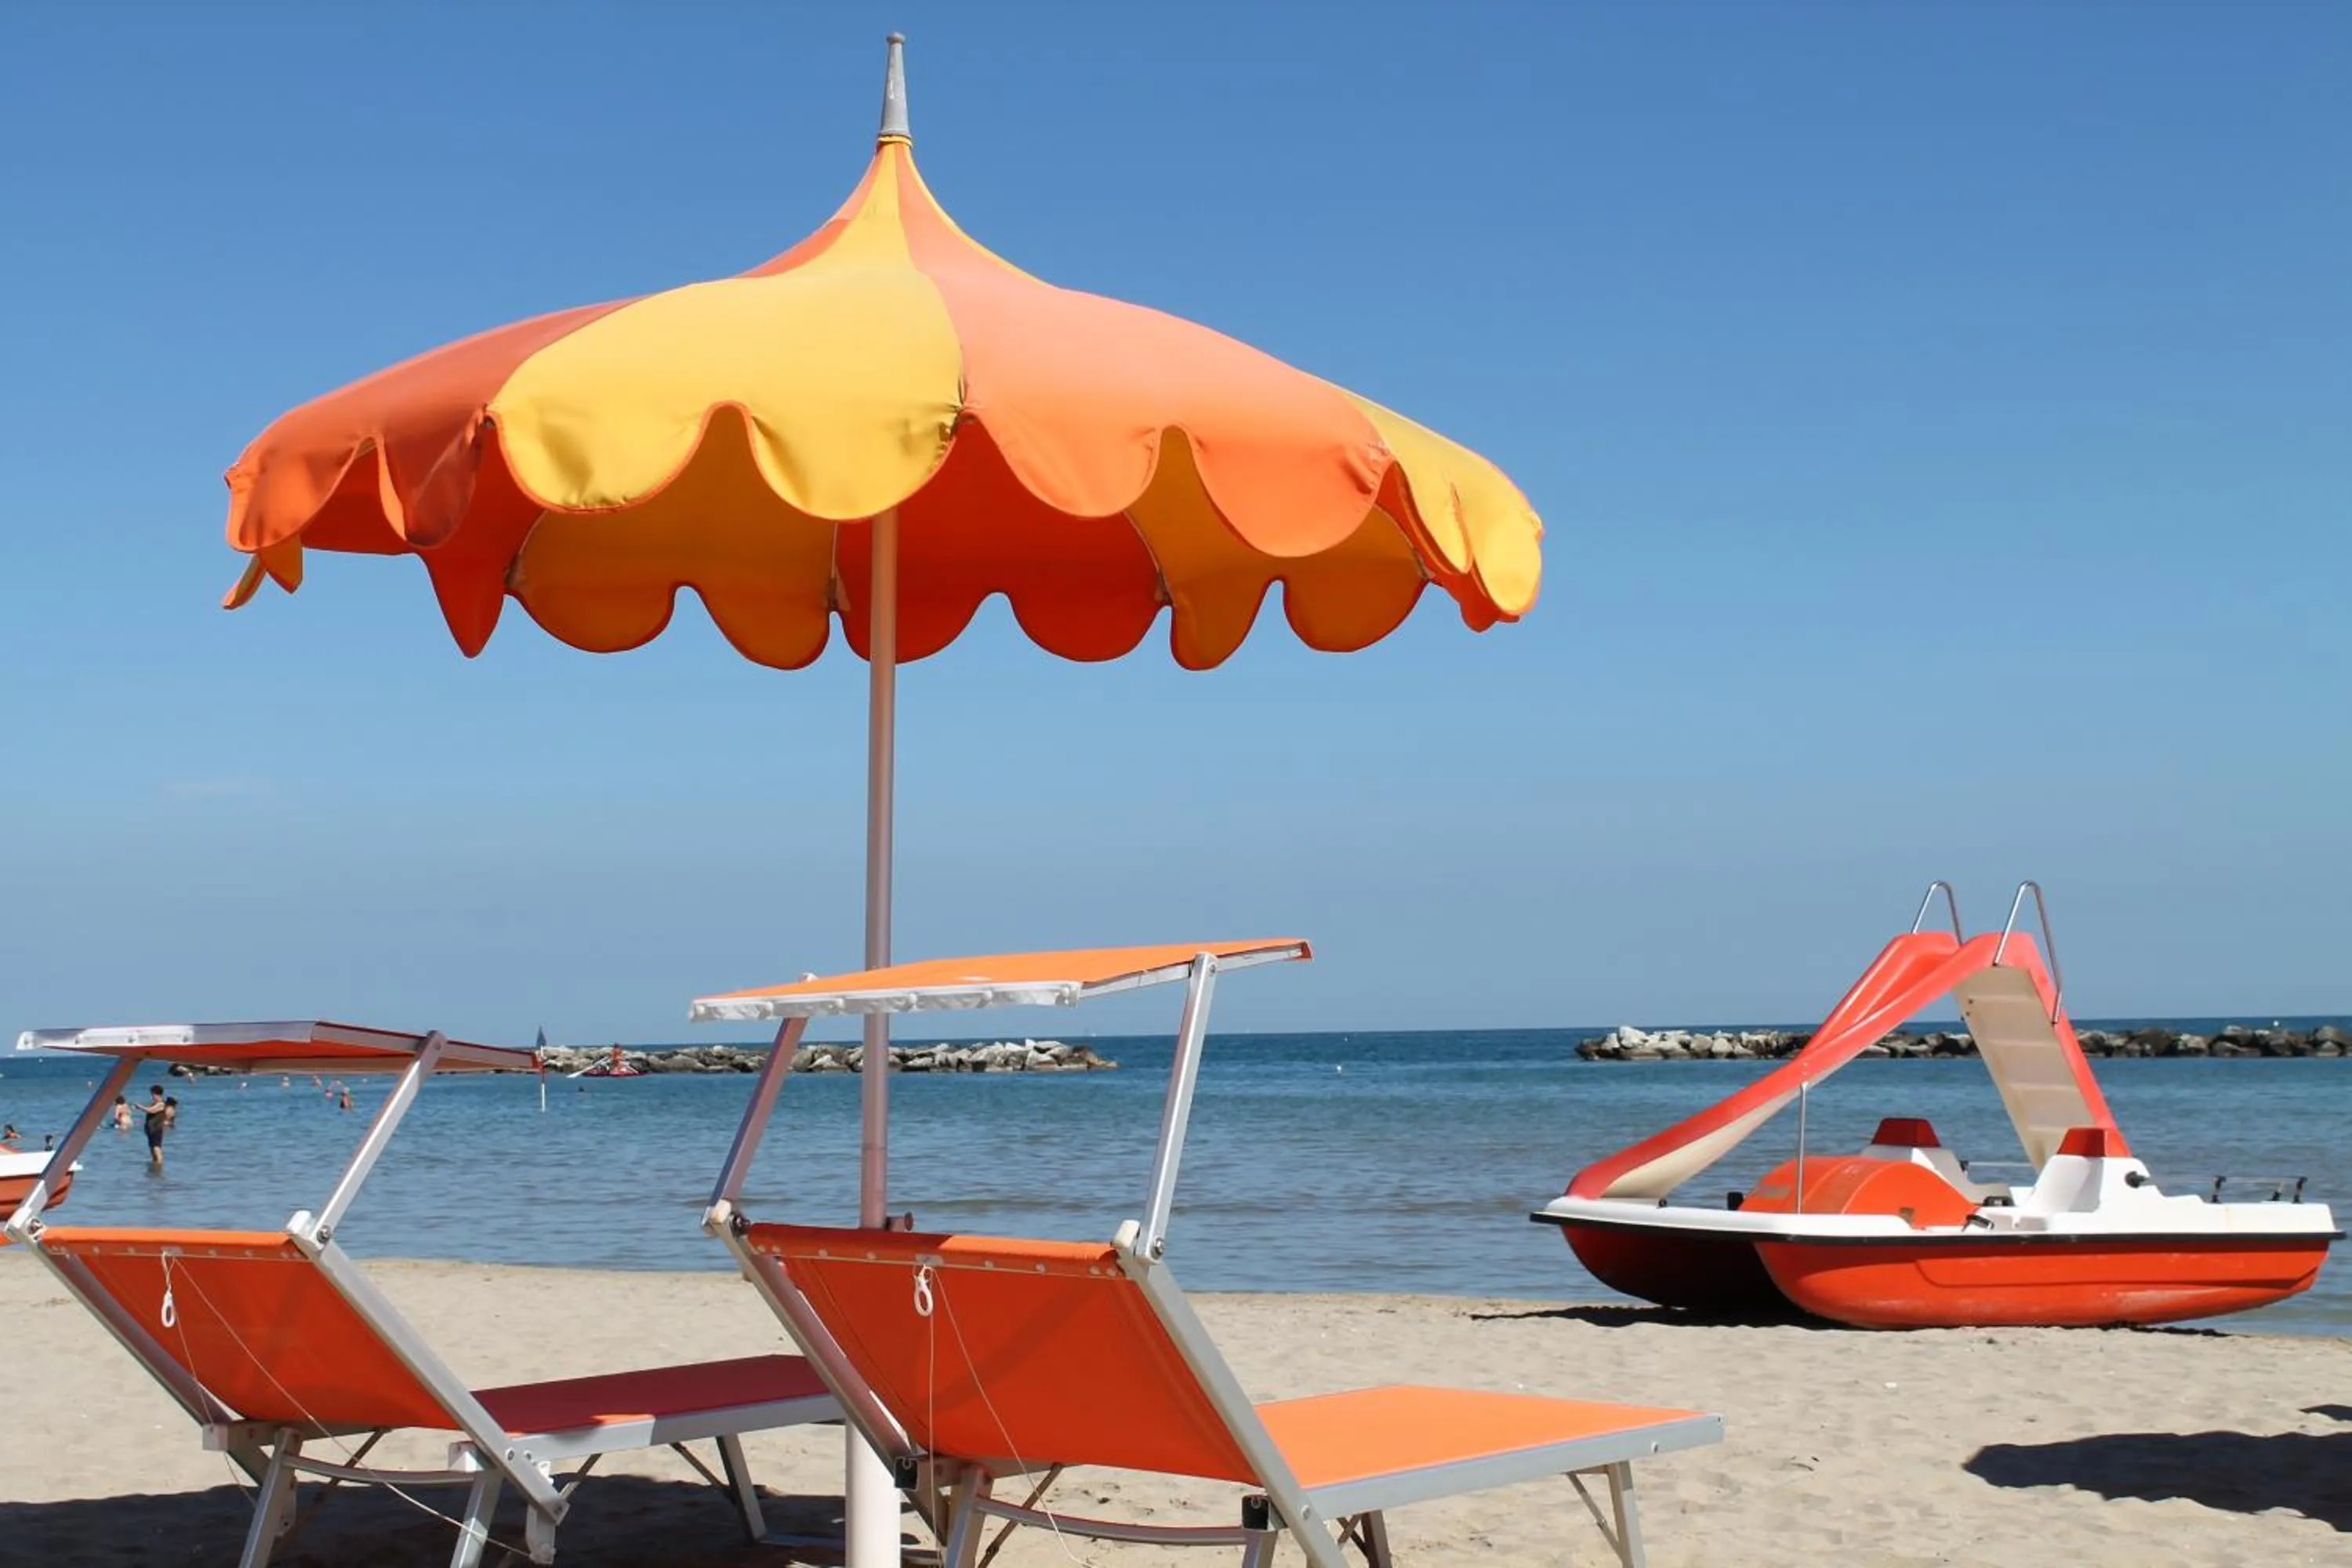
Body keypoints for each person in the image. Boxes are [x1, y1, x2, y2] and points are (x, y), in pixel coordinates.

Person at [140, 1084, 168, 1170]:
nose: (152, 1096)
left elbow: (150, 1111)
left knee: (156, 1148)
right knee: (152, 1149)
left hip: (157, 1129)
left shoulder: (161, 1104)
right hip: (151, 1129)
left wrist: (139, 1107)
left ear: (157, 1094)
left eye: (152, 1094)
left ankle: (159, 1166)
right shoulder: (154, 1104)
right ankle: (155, 1167)